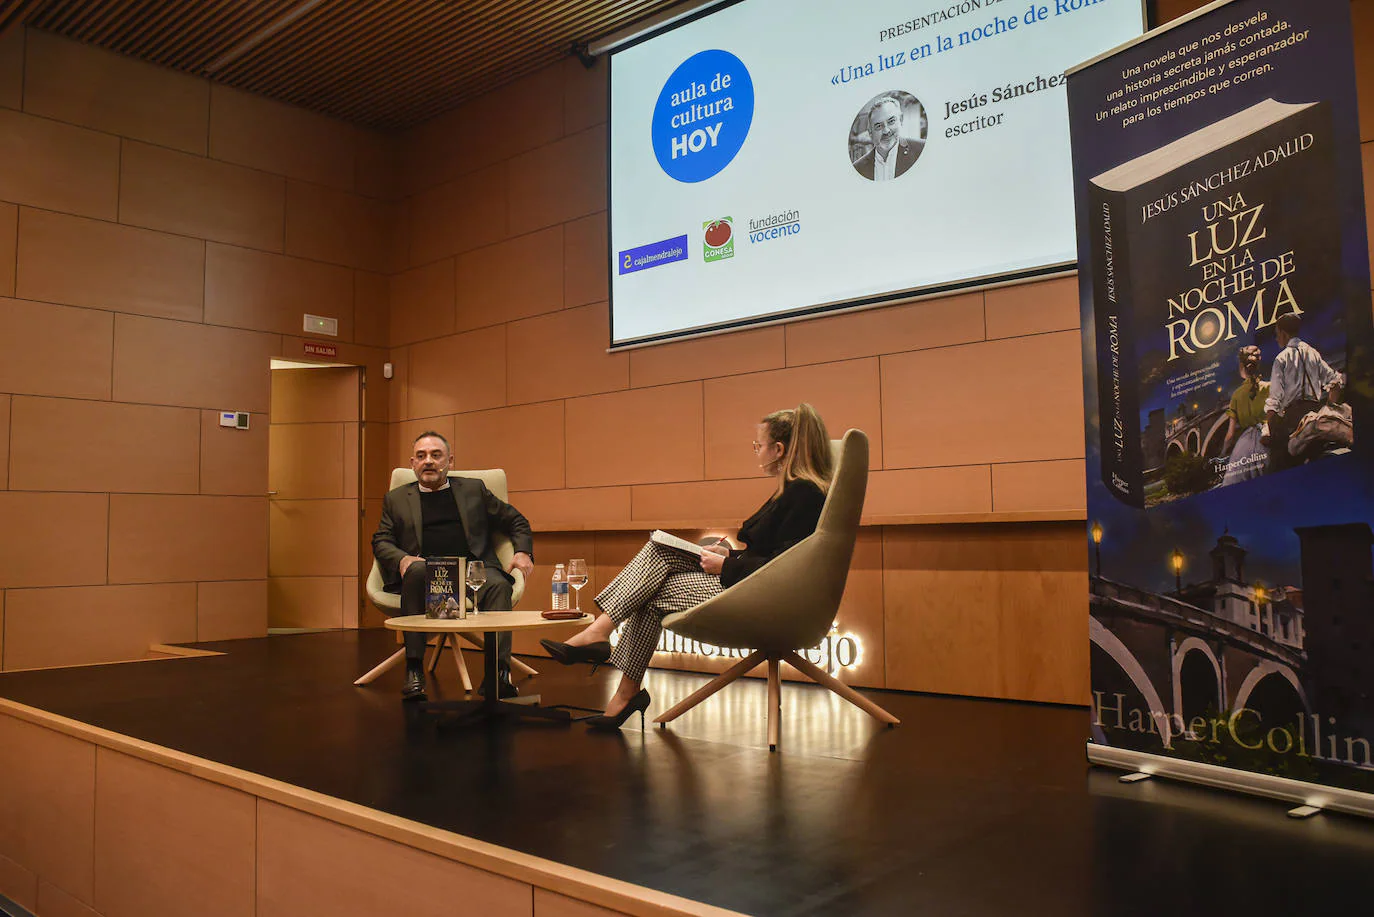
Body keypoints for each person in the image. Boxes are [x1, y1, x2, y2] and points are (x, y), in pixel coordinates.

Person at [540, 404, 834, 729]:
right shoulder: (796, 491)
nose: (757, 451)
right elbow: (777, 555)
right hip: (750, 584)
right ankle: (619, 680)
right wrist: (728, 557)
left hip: (764, 598)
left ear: (778, 450)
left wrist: (725, 566)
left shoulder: (804, 494)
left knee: (652, 583)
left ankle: (604, 644)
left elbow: (786, 566)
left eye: (758, 445)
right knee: (659, 555)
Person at [372, 431, 534, 702]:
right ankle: (414, 671)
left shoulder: (473, 490)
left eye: (436, 455)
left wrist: (523, 552)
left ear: (450, 461)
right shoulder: (396, 498)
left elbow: (515, 520)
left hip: (473, 569)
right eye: (422, 456)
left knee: (498, 584)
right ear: (413, 463)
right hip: (425, 572)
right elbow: (381, 540)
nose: (429, 461)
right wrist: (402, 559)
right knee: (416, 570)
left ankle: (498, 675)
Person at [1261, 313, 1344, 471]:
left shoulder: (1282, 358)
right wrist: (1329, 408)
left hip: (1293, 420)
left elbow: (1274, 401)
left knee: (1278, 466)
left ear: (1283, 333)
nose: (1277, 339)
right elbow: (1336, 384)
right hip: (1315, 413)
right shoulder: (1313, 354)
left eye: (1277, 334)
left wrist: (1271, 432)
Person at [1219, 345, 1269, 485]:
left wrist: (1223, 454)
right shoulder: (1270, 387)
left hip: (1244, 448)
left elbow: (1230, 436)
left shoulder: (1236, 395)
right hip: (1268, 440)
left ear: (1242, 366)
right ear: (1258, 364)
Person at [852, 96, 922, 181]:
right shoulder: (858, 168)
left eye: (891, 121)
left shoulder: (921, 149)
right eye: (878, 126)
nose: (886, 131)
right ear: (870, 132)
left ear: (901, 120)